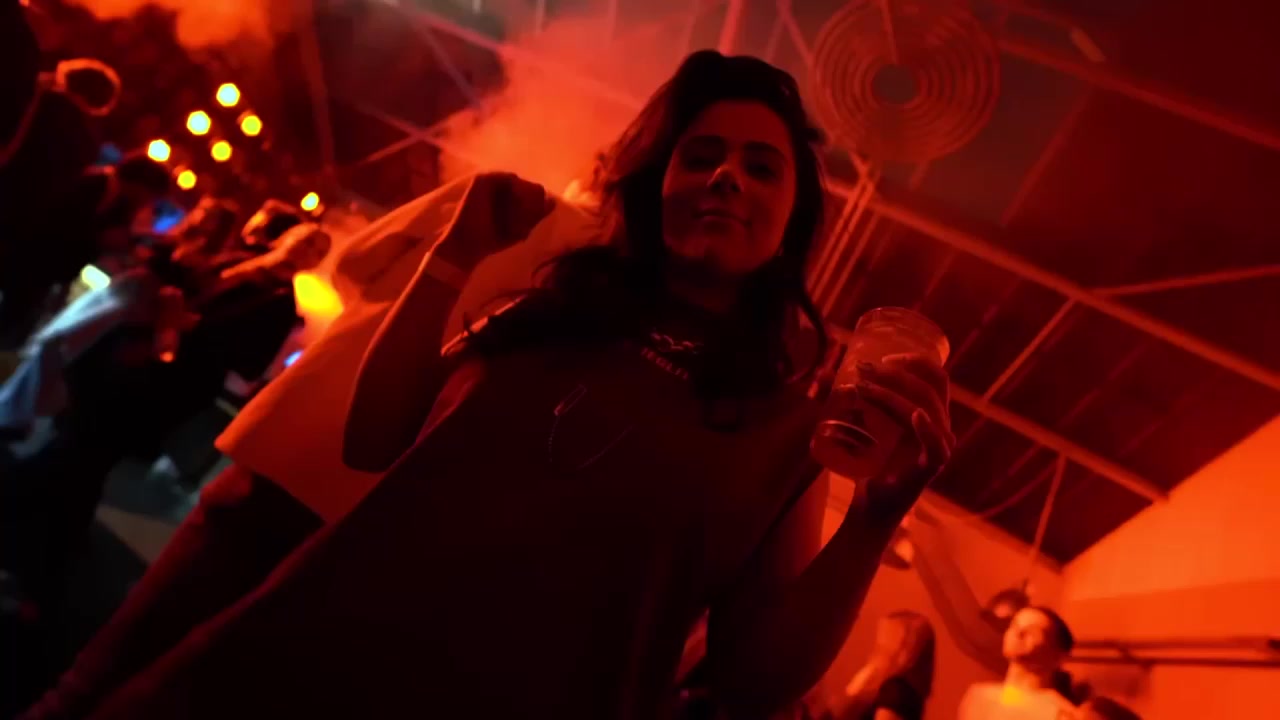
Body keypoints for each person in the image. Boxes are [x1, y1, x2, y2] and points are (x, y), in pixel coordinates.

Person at [57, 51, 953, 719]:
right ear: (659, 181)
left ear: (793, 218)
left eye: (762, 166)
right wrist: (450, 259)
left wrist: (876, 518)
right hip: (291, 666)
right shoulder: (558, 300)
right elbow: (374, 437)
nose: (726, 175)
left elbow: (753, 682)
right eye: (702, 154)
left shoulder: (785, 422)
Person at [0, 153, 171, 349]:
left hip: (39, 268)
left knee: (16, 321)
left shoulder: (111, 195)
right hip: (33, 264)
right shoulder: (97, 186)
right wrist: (102, 238)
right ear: (142, 185)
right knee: (13, 320)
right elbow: (60, 227)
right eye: (151, 196)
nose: (147, 203)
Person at [958, 606, 1078, 720]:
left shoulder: (1060, 713)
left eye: (1033, 631)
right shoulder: (978, 697)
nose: (1019, 632)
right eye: (1015, 625)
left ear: (1057, 656)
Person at [837, 611, 936, 720]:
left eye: (881, 647)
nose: (873, 654)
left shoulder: (897, 692)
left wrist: (853, 694)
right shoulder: (908, 697)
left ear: (905, 654)